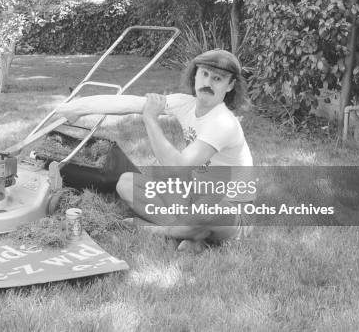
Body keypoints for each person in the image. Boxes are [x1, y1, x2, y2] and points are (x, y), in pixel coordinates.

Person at [56, 49, 254, 253]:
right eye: (204, 74)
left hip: (231, 211)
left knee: (210, 208)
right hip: (194, 197)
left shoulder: (223, 122)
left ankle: (157, 230)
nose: (208, 83)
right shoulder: (186, 104)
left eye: (218, 78)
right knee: (126, 183)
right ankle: (192, 234)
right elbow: (131, 103)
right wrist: (77, 108)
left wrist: (150, 119)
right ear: (195, 74)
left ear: (230, 85)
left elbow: (178, 168)